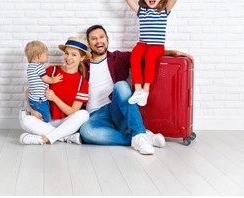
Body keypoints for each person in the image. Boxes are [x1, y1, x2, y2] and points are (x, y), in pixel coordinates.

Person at [80, 25, 193, 154]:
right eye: (93, 39)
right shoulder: (82, 65)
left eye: (101, 37)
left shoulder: (117, 58)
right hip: (96, 116)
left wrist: (173, 52)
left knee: (121, 86)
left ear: (107, 39)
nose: (98, 41)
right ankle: (142, 137)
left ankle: (139, 133)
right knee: (86, 132)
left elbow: (143, 55)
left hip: (117, 110)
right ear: (89, 43)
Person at [118, 0, 188, 106]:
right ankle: (138, 90)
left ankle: (146, 89)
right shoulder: (141, 11)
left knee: (150, 57)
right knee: (135, 55)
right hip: (143, 44)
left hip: (156, 46)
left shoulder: (164, 11)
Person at [19, 37, 92, 145]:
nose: (68, 57)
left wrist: (55, 98)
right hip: (45, 121)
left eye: (74, 54)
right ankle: (66, 137)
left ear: (82, 58)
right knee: (25, 119)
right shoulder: (52, 71)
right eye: (66, 53)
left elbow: (72, 112)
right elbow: (29, 91)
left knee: (84, 114)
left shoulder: (83, 83)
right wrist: (32, 110)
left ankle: (43, 139)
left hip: (65, 123)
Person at [24, 40, 63, 122]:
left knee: (39, 115)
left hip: (32, 98)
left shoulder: (30, 67)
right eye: (46, 54)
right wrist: (54, 79)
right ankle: (28, 115)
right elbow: (46, 79)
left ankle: (31, 116)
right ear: (39, 55)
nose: (47, 57)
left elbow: (38, 78)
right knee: (47, 118)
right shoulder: (39, 67)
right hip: (40, 100)